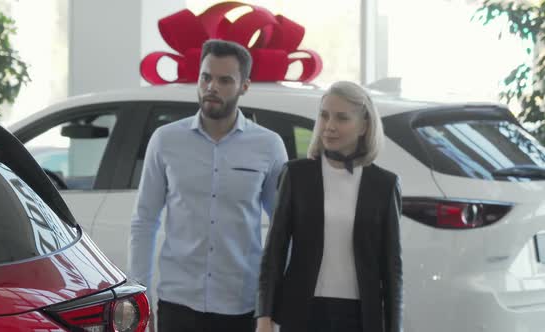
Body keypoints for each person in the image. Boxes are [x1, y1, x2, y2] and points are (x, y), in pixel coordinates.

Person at [129, 39, 288, 332]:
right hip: (178, 302)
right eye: (206, 77)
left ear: (245, 86)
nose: (212, 87)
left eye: (225, 80)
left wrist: (275, 303)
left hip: (242, 305)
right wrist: (141, 293)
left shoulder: (269, 146)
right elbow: (144, 221)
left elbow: (283, 229)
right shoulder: (166, 140)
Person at [256, 81, 403, 332]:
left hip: (360, 317)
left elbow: (392, 270)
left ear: (364, 126)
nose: (329, 126)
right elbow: (274, 252)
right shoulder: (296, 175)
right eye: (324, 116)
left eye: (342, 118)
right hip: (302, 311)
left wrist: (394, 327)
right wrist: (264, 316)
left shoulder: (385, 185)